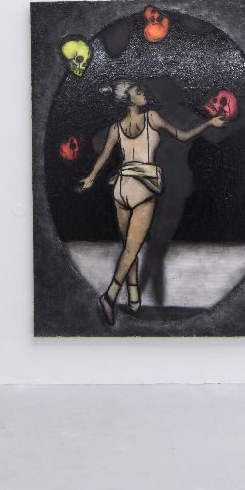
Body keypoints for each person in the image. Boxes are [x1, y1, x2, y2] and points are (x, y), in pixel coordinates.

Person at [78, 80, 226, 326]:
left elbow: (103, 157)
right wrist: (209, 123)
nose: (143, 93)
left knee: (129, 247)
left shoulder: (116, 127)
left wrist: (91, 177)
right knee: (131, 249)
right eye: (138, 91)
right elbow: (182, 135)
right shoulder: (152, 117)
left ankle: (134, 296)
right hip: (142, 188)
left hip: (121, 188)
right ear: (129, 100)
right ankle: (110, 295)